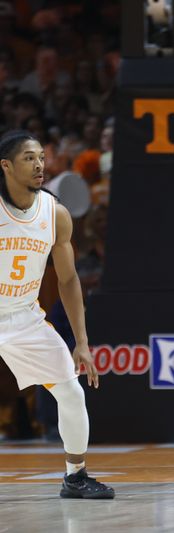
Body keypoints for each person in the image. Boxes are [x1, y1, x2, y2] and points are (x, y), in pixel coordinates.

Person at [0, 131, 113, 498]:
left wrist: (82, 342)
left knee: (70, 392)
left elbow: (68, 279)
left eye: (41, 158)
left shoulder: (55, 213)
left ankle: (75, 477)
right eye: (28, 158)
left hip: (24, 317)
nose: (38, 165)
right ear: (6, 166)